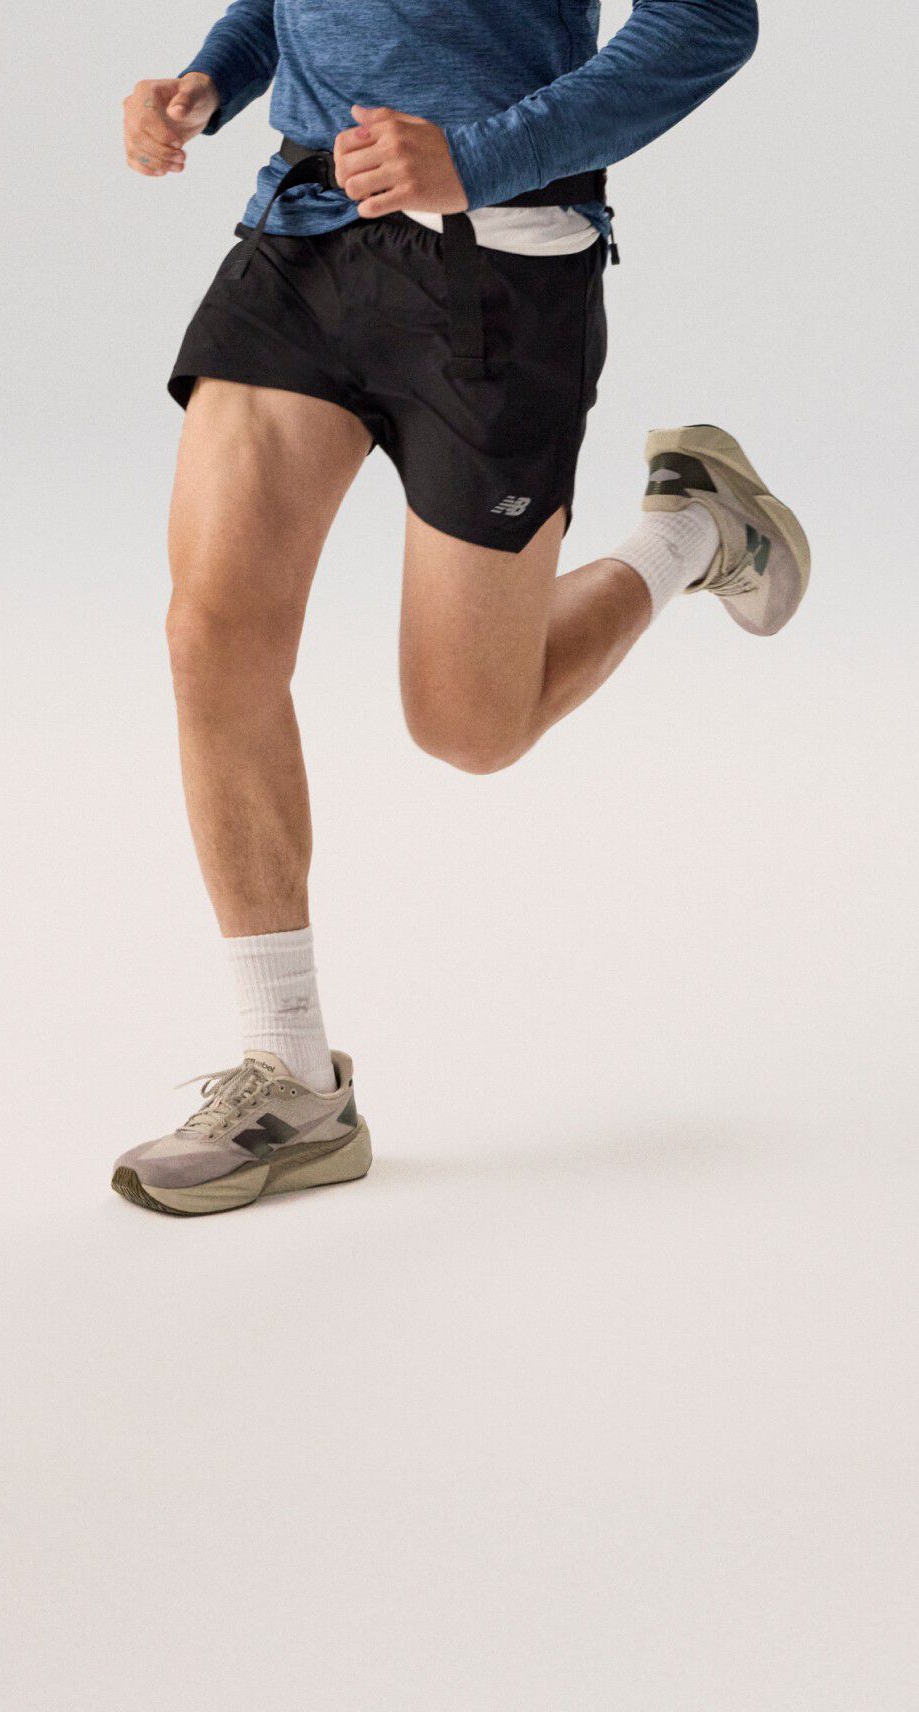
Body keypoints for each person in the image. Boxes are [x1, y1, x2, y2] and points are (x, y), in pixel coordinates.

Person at [111, 0, 809, 1216]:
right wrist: (212, 77)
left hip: (501, 262)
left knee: (470, 723)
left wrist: (477, 158)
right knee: (210, 631)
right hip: (301, 229)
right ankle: (294, 1078)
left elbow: (707, 23)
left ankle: (694, 530)